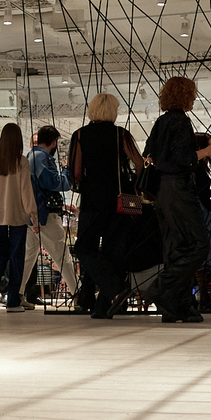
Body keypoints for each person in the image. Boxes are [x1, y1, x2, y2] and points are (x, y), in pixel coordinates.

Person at [143, 76, 211, 322]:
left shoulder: (161, 122)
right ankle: (160, 288)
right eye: (192, 94)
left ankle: (177, 306)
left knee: (176, 248)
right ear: (185, 95)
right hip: (179, 188)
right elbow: (183, 158)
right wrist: (207, 151)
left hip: (162, 191)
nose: (194, 98)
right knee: (199, 244)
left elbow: (148, 154)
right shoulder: (181, 121)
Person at [69, 93, 145, 319]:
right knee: (114, 253)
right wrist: (134, 185)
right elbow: (139, 164)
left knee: (85, 248)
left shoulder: (80, 135)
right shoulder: (121, 134)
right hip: (120, 201)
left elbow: (76, 172)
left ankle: (115, 290)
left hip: (93, 200)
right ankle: (104, 306)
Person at [0, 122, 39, 311]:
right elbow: (26, 192)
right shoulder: (22, 162)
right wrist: (34, 217)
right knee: (16, 258)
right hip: (16, 217)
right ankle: (13, 301)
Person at [28, 125, 72, 298]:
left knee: (27, 258)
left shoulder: (30, 156)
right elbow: (54, 183)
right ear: (54, 142)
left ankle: (17, 295)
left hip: (32, 214)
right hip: (45, 214)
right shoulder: (41, 158)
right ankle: (77, 293)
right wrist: (66, 171)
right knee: (63, 255)